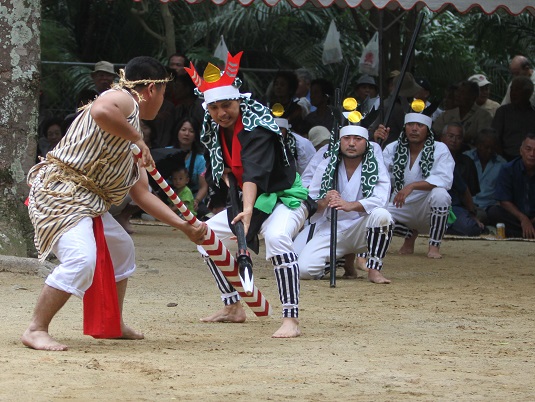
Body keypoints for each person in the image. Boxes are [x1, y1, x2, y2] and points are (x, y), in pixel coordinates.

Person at [21, 56, 207, 351]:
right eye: (163, 93)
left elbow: (142, 195)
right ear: (150, 90)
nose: (164, 101)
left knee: (121, 246)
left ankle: (113, 323)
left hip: (86, 201)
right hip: (60, 193)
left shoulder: (131, 135)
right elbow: (101, 109)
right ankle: (36, 328)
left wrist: (185, 226)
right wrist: (138, 139)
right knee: (82, 260)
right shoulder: (124, 98)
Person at [185, 51, 312, 338]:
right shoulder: (217, 130)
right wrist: (231, 182)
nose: (221, 113)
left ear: (239, 101)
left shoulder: (258, 127)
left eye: (227, 105)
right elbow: (230, 170)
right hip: (248, 200)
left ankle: (291, 318)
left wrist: (248, 209)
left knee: (278, 237)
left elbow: (254, 173)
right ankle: (233, 307)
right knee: (206, 239)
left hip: (283, 198)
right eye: (214, 108)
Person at [294, 125, 393, 284]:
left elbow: (380, 199)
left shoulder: (376, 165)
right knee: (303, 270)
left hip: (361, 227)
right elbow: (312, 204)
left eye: (358, 139)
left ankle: (374, 270)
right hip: (332, 226)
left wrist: (351, 205)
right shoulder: (326, 164)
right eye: (347, 139)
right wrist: (324, 201)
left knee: (382, 216)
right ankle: (340, 260)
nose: (352, 143)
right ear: (340, 142)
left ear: (366, 143)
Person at [376, 111, 454, 258]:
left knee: (441, 195)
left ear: (428, 130)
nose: (414, 129)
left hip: (427, 205)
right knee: (376, 212)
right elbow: (377, 173)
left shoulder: (440, 149)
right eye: (410, 125)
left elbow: (444, 179)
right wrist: (376, 143)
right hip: (400, 202)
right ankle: (409, 234)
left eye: (420, 125)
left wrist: (412, 186)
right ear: (405, 128)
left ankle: (434, 246)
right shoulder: (392, 148)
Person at [439, 124, 485, 237]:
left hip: (455, 207)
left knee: (473, 227)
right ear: (442, 138)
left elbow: (466, 191)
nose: (454, 140)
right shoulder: (431, 157)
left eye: (458, 137)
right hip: (428, 205)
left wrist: (472, 214)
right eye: (450, 136)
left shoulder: (466, 162)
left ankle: (445, 229)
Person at [487, 133, 535, 239]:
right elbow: (504, 201)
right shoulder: (508, 169)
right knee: (494, 212)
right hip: (516, 217)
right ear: (521, 151)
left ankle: (524, 233)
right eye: (528, 149)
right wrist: (523, 219)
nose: (532, 154)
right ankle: (526, 233)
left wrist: (531, 221)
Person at [463, 128, 507, 223]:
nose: (490, 151)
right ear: (478, 145)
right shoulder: (466, 158)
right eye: (486, 147)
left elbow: (503, 192)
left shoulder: (502, 164)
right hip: (467, 205)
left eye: (492, 148)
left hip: (489, 208)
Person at [432, 80, 493, 148]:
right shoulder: (447, 115)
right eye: (458, 91)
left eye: (463, 92)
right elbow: (434, 133)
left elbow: (483, 141)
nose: (458, 95)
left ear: (473, 96)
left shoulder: (484, 116)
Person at [169, 117, 209, 218]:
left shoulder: (200, 159)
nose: (186, 134)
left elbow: (204, 186)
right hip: (170, 198)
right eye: (183, 130)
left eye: (191, 131)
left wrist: (196, 200)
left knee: (206, 214)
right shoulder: (166, 154)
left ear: (196, 135)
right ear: (177, 132)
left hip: (191, 198)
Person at [492, 76, 535, 161]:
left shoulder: (533, 113)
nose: (513, 93)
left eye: (517, 90)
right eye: (512, 89)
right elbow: (494, 139)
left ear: (528, 93)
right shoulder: (503, 112)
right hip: (506, 159)